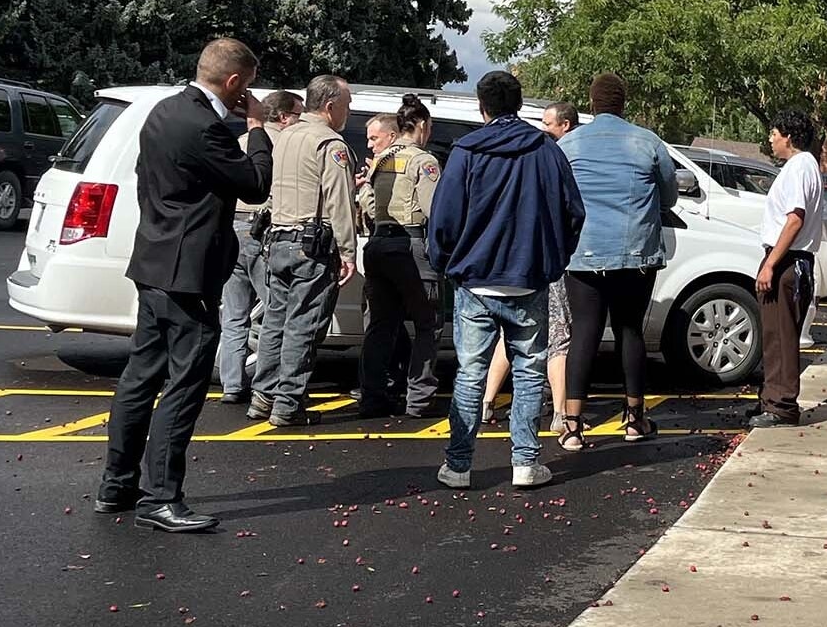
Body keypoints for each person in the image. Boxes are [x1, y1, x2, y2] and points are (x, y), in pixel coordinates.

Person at [97, 38, 273, 533]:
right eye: (248, 87)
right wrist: (257, 128)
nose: (249, 96)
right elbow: (255, 185)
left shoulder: (162, 111)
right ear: (235, 82)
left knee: (140, 377)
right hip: (188, 272)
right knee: (185, 383)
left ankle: (117, 484)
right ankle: (161, 497)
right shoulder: (205, 127)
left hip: (154, 262)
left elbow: (150, 178)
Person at [429, 71, 584, 489]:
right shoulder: (546, 150)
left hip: (475, 280)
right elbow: (574, 211)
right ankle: (525, 462)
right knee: (530, 371)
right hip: (530, 277)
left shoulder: (465, 151)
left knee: (470, 373)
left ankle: (459, 465)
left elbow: (443, 218)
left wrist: (446, 261)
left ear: (483, 107)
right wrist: (554, 259)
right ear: (518, 105)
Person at [556, 75, 677, 450]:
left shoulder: (569, 143)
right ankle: (634, 418)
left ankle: (573, 424)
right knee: (629, 330)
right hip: (635, 254)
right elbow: (669, 195)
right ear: (623, 104)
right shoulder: (648, 141)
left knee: (585, 333)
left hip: (584, 254)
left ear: (591, 104)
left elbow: (557, 195)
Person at [249, 75, 357, 427]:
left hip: (277, 239)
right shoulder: (329, 143)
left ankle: (263, 395)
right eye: (347, 104)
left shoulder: (285, 136)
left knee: (274, 321)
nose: (349, 110)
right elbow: (340, 202)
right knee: (304, 325)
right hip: (312, 244)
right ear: (330, 106)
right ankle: (288, 403)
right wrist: (348, 251)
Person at [482, 101, 581, 432]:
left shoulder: (514, 177)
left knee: (508, 335)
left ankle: (486, 402)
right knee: (558, 340)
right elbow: (573, 215)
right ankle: (559, 414)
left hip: (514, 266)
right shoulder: (555, 172)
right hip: (548, 267)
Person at [357, 94, 442, 419]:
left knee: (381, 325)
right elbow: (434, 210)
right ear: (421, 125)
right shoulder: (424, 161)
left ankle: (372, 397)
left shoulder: (382, 159)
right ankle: (420, 399)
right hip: (411, 245)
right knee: (427, 324)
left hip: (378, 244)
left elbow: (366, 199)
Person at [218, 89, 302, 404]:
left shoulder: (242, 141)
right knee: (276, 310)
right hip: (263, 230)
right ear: (283, 116)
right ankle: (269, 383)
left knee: (234, 314)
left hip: (233, 228)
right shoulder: (283, 144)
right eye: (298, 114)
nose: (301, 120)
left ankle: (231, 384)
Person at [747, 110, 826, 428]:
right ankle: (770, 399)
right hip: (792, 261)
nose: (770, 139)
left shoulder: (799, 167)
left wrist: (771, 263)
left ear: (789, 137)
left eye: (774, 133)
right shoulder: (803, 167)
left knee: (781, 337)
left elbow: (795, 219)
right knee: (774, 335)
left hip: (789, 262)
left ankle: (781, 406)